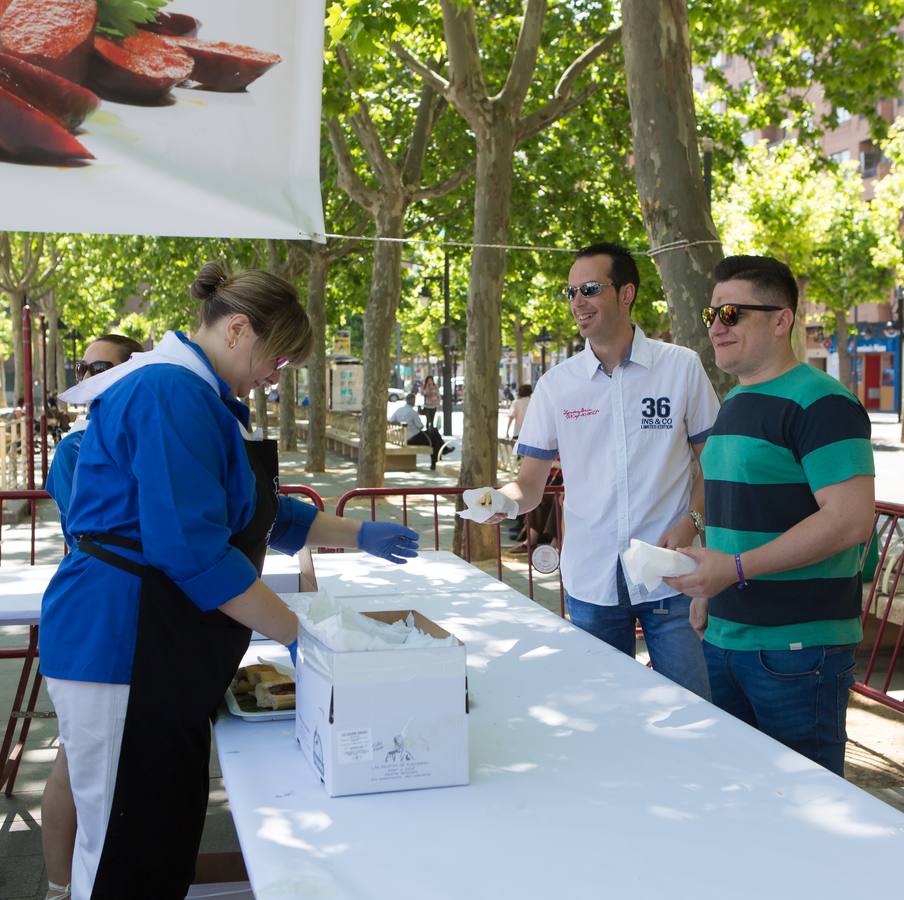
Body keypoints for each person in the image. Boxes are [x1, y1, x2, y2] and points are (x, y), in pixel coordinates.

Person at [39, 262, 419, 900]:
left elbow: (261, 512)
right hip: (118, 637)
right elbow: (194, 551)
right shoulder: (171, 392)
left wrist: (361, 534)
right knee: (118, 849)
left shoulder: (202, 395)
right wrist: (299, 633)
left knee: (155, 836)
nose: (279, 375)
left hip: (148, 640)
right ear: (239, 329)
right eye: (281, 359)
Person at [478, 242, 719, 699]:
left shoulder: (680, 367)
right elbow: (529, 485)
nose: (577, 303)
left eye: (589, 289)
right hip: (591, 580)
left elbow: (715, 468)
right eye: (570, 293)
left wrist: (693, 523)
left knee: (693, 712)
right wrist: (501, 502)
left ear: (626, 293)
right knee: (604, 715)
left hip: (671, 577)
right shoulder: (556, 386)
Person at [664, 255, 875, 775]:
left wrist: (733, 570)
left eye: (732, 313)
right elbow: (729, 499)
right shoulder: (736, 401)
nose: (716, 326)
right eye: (710, 313)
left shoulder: (823, 403)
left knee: (806, 807)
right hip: (727, 637)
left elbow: (850, 520)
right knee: (742, 799)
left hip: (798, 653)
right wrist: (713, 586)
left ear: (782, 321)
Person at [41, 334, 143, 900]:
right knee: (84, 770)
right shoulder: (79, 447)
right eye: (84, 366)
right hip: (96, 621)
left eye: (100, 366)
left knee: (91, 769)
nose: (88, 375)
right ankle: (63, 887)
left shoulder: (115, 434)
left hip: (119, 621)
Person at [389, 392, 450, 470]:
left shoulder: (399, 410)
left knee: (434, 435)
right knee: (434, 436)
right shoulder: (413, 412)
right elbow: (420, 426)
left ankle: (443, 451)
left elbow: (391, 421)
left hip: (402, 438)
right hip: (412, 438)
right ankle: (439, 457)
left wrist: (399, 423)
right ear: (413, 402)